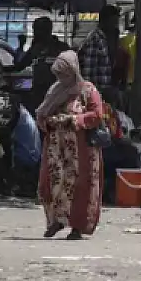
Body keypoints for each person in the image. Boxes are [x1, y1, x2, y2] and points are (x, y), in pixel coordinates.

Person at [36, 51, 103, 240]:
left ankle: (77, 228)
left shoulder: (87, 90)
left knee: (80, 187)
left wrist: (73, 119)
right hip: (56, 150)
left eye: (64, 74)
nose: (61, 79)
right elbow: (41, 115)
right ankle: (56, 221)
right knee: (53, 184)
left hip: (80, 152)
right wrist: (49, 121)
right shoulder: (54, 91)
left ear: (74, 71)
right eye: (58, 75)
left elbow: (97, 115)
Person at [11, 17, 69, 112]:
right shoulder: (35, 49)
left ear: (46, 31)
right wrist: (21, 46)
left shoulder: (62, 48)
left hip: (58, 95)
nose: (34, 34)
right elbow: (19, 65)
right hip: (40, 96)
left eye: (36, 30)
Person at [78, 4, 120, 95]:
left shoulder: (108, 39)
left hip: (107, 90)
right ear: (104, 21)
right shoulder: (95, 39)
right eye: (113, 22)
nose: (115, 26)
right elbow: (87, 70)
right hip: (96, 92)